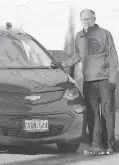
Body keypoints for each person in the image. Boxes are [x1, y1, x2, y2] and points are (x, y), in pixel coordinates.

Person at [51, 9, 118, 156]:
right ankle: (96, 146)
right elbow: (77, 56)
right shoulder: (79, 36)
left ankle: (109, 145)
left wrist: (113, 80)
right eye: (84, 19)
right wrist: (62, 65)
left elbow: (113, 57)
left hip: (105, 80)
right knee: (92, 114)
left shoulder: (104, 34)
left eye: (89, 18)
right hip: (89, 81)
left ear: (94, 19)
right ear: (81, 20)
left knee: (107, 113)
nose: (87, 21)